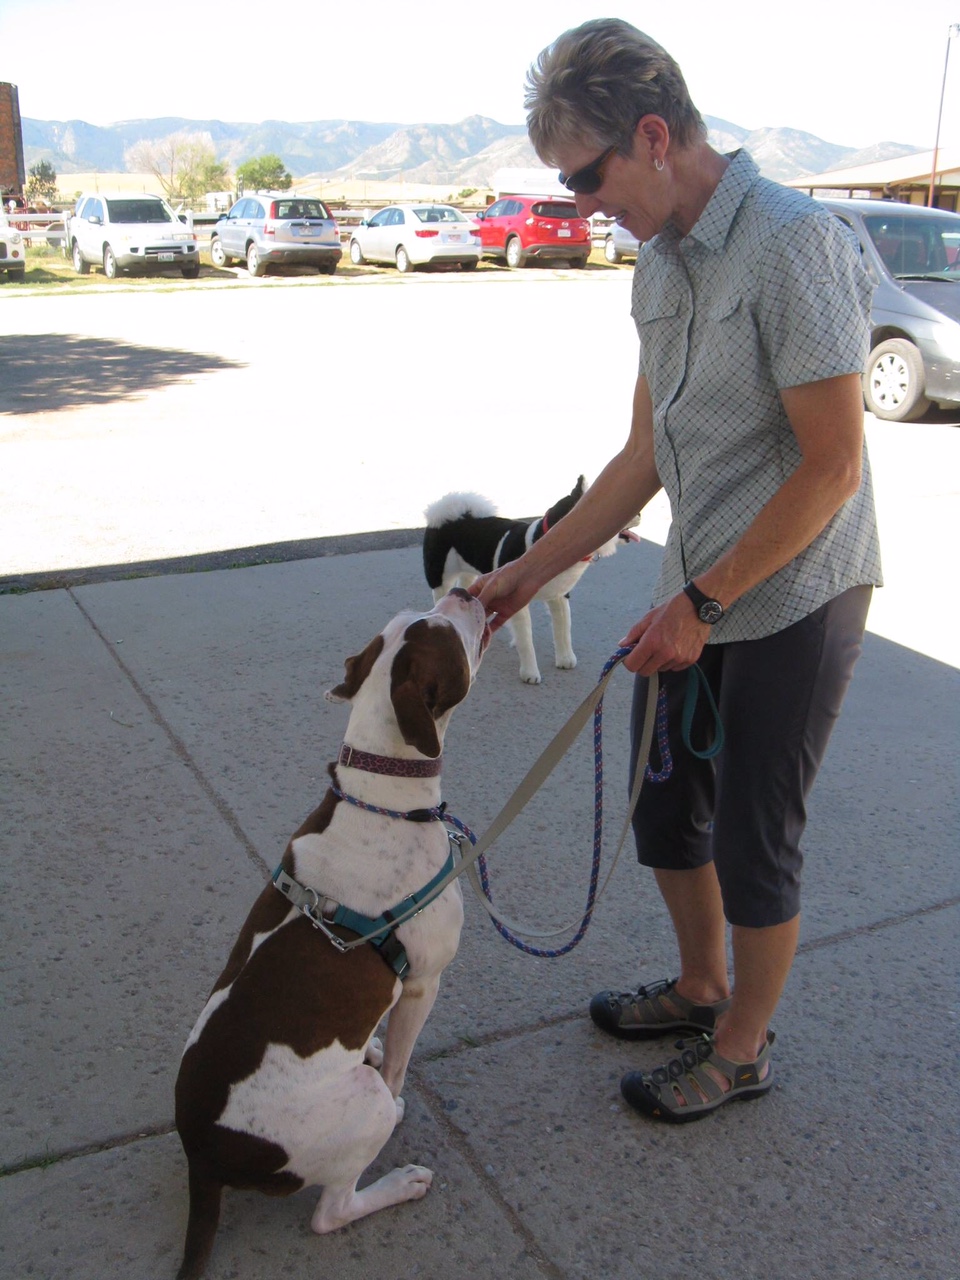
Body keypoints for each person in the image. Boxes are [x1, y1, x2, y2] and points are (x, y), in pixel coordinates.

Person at [469, 18, 882, 1123]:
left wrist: (705, 603)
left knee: (756, 827)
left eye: (589, 178)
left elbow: (834, 465)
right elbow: (641, 458)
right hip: (695, 585)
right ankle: (701, 986)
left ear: (653, 135)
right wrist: (523, 570)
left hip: (797, 585)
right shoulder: (656, 268)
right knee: (668, 811)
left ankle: (742, 1043)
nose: (583, 205)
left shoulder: (791, 243)